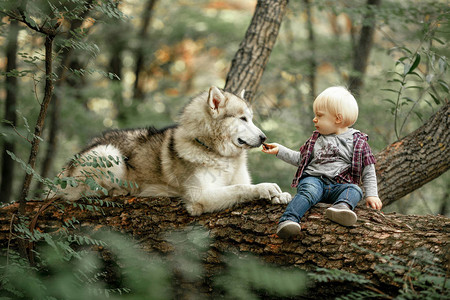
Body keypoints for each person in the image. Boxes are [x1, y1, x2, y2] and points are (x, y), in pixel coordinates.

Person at [262, 86, 382, 239]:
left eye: (319, 115)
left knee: (355, 190)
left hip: (340, 185)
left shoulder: (358, 142)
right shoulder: (316, 139)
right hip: (315, 180)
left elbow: (368, 169)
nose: (314, 119)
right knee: (308, 192)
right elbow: (301, 160)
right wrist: (280, 150)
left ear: (337, 119)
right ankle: (289, 220)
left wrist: (372, 194)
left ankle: (341, 207)